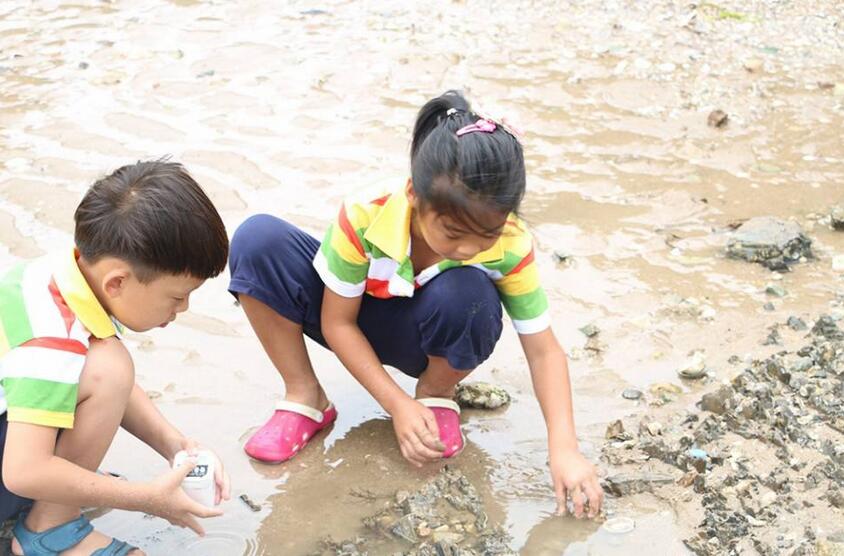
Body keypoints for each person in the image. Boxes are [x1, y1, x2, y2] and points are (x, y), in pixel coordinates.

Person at [229, 91, 603, 518]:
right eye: (452, 232)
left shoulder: (511, 241)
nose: (467, 248)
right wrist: (395, 405)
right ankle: (306, 395)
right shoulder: (364, 214)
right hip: (350, 318)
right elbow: (338, 323)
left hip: (426, 331)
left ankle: (436, 394)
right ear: (413, 196)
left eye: (486, 235)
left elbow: (544, 349)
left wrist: (564, 448)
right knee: (258, 241)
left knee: (474, 295)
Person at [0, 161, 232, 555]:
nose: (183, 309)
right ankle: (48, 531)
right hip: (18, 467)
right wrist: (143, 497)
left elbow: (108, 386)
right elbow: (24, 471)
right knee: (110, 364)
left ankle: (61, 493)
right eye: (176, 297)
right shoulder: (51, 339)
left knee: (106, 364)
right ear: (118, 282)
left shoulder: (63, 275)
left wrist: (178, 447)